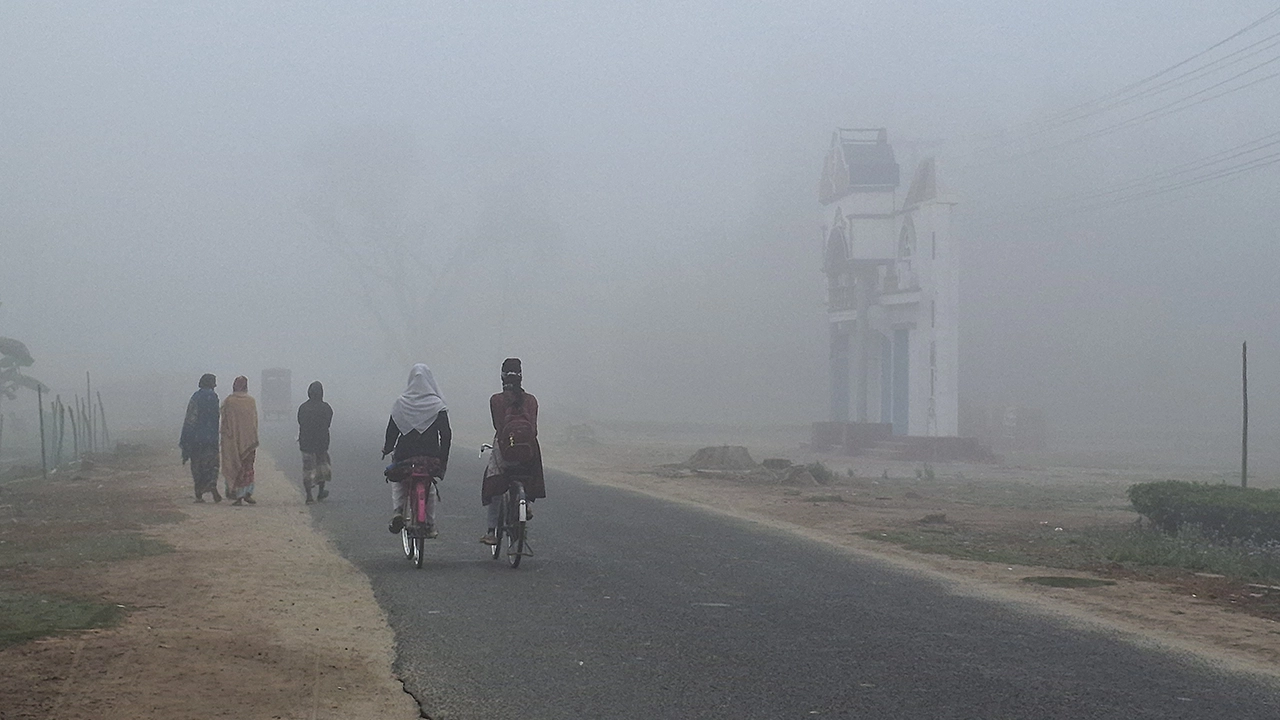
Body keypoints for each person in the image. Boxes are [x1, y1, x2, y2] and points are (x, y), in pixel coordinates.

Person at [480, 358, 546, 545]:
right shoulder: (532, 400)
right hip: (528, 453)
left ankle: (491, 531)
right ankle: (527, 504)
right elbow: (534, 428)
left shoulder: (496, 400)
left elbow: (499, 427)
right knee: (528, 472)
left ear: (502, 377)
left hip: (505, 451)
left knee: (494, 483)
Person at [382, 364, 451, 538]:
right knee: (431, 490)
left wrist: (387, 448)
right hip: (430, 458)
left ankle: (398, 510)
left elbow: (392, 431)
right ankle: (430, 524)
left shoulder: (401, 403)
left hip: (405, 456)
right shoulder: (437, 405)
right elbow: (446, 434)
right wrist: (443, 458)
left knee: (398, 481)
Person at [179, 373, 222, 503]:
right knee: (212, 463)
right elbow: (216, 417)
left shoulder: (196, 397)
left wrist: (186, 440)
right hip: (211, 438)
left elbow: (190, 419)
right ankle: (212, 484)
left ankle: (199, 494)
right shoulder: (214, 397)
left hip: (196, 439)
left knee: (197, 465)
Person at [221, 375, 259, 506]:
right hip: (249, 441)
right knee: (247, 467)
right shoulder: (251, 401)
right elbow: (254, 421)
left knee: (235, 465)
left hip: (233, 441)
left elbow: (225, 423)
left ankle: (237, 495)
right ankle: (247, 493)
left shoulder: (229, 401)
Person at [297, 380, 333, 504]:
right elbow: (328, 424)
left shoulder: (303, 407)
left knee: (307, 469)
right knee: (321, 466)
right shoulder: (326, 408)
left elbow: (300, 422)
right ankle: (320, 492)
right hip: (321, 442)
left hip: (306, 442)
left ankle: (309, 496)